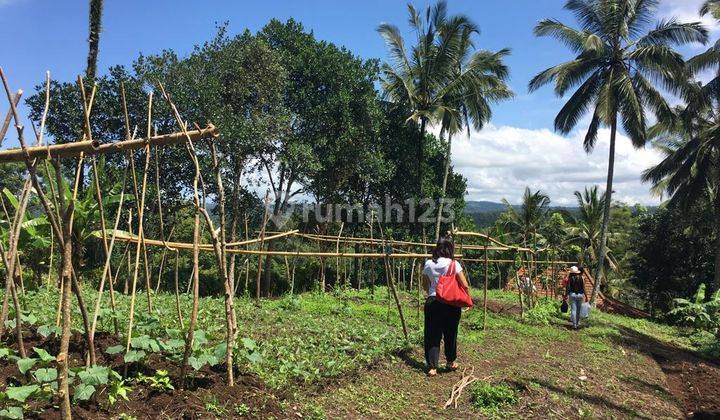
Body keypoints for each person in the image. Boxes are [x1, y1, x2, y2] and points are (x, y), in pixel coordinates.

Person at [421, 236, 470, 376]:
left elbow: (425, 285)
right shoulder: (454, 264)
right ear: (450, 249)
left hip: (433, 302)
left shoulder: (428, 263)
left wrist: (434, 290)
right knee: (451, 333)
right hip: (451, 304)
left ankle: (432, 367)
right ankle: (450, 362)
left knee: (432, 334)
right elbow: (464, 284)